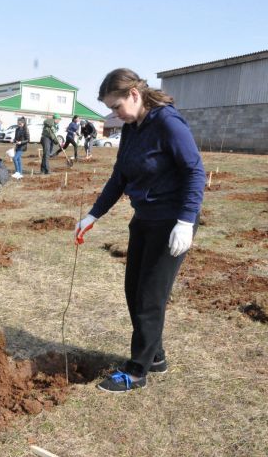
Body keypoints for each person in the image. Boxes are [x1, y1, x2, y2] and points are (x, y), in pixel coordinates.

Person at [74, 68, 205, 393]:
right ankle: (155, 355)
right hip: (145, 218)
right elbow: (120, 175)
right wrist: (93, 215)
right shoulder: (133, 127)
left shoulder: (167, 123)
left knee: (150, 298)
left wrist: (186, 221)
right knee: (134, 291)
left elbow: (194, 172)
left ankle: (136, 371)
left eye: (116, 107)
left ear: (134, 94)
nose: (115, 115)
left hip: (171, 222)